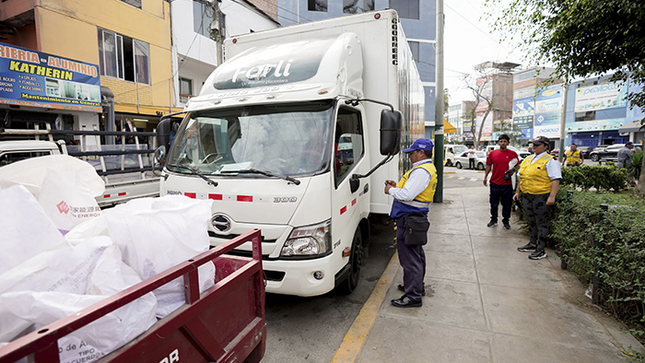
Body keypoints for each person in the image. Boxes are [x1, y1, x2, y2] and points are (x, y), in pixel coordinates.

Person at [384, 138, 437, 308]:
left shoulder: (421, 171)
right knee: (417, 255)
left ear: (421, 153)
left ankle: (413, 296)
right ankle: (416, 286)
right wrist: (397, 186)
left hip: (409, 220)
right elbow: (411, 190)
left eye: (412, 153)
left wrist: (390, 190)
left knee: (409, 259)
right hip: (414, 219)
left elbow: (407, 195)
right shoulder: (426, 169)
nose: (409, 156)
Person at [513, 136, 562, 260]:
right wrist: (517, 192)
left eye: (537, 145)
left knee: (541, 223)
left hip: (541, 196)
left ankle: (541, 249)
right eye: (533, 144)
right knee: (531, 221)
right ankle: (532, 243)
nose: (533, 146)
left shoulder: (551, 160)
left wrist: (552, 197)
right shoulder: (528, 159)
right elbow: (521, 177)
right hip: (527, 195)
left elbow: (555, 179)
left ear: (546, 146)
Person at [483, 134, 519, 230]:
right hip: (495, 182)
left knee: (507, 203)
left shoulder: (513, 154)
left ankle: (506, 221)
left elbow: (517, 166)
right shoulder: (493, 153)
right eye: (501, 141)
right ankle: (493, 219)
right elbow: (488, 165)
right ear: (498, 143)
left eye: (505, 141)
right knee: (493, 203)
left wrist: (511, 172)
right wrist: (485, 177)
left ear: (508, 143)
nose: (503, 143)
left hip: (507, 184)